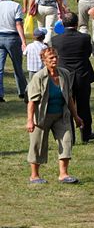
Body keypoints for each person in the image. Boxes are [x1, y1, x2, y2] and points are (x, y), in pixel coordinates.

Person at [25, 47, 83, 184]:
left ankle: (64, 174)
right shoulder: (38, 77)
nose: (55, 60)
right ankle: (34, 175)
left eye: (56, 57)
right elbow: (32, 102)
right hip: (41, 116)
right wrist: (30, 120)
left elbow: (69, 97)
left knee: (66, 141)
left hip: (61, 115)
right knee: (37, 144)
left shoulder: (65, 74)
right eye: (51, 58)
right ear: (44, 61)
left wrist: (76, 117)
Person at [52, 12, 94, 143]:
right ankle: (86, 134)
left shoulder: (56, 40)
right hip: (82, 75)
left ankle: (70, 136)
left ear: (62, 24)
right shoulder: (85, 38)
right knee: (84, 106)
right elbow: (88, 53)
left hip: (65, 78)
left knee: (67, 108)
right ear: (77, 24)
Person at [0, 0, 27, 102]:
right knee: (17, 66)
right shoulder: (16, 6)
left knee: (0, 68)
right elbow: (18, 24)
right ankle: (22, 91)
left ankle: (0, 94)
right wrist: (23, 41)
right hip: (12, 38)